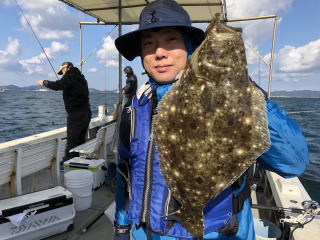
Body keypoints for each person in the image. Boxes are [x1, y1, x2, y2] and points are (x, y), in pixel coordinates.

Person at [113, 0, 309, 239]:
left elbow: (292, 163)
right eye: (149, 44)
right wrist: (122, 226)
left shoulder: (233, 99)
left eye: (171, 39)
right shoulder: (134, 108)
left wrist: (247, 95)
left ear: (190, 47)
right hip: (147, 234)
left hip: (217, 233)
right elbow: (126, 174)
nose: (159, 53)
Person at [38, 62, 92, 167]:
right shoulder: (81, 78)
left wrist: (44, 82)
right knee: (79, 139)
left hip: (76, 114)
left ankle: (67, 163)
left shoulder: (70, 76)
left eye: (62, 71)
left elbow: (58, 85)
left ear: (66, 68)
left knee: (72, 139)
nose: (62, 73)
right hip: (86, 112)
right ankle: (76, 161)